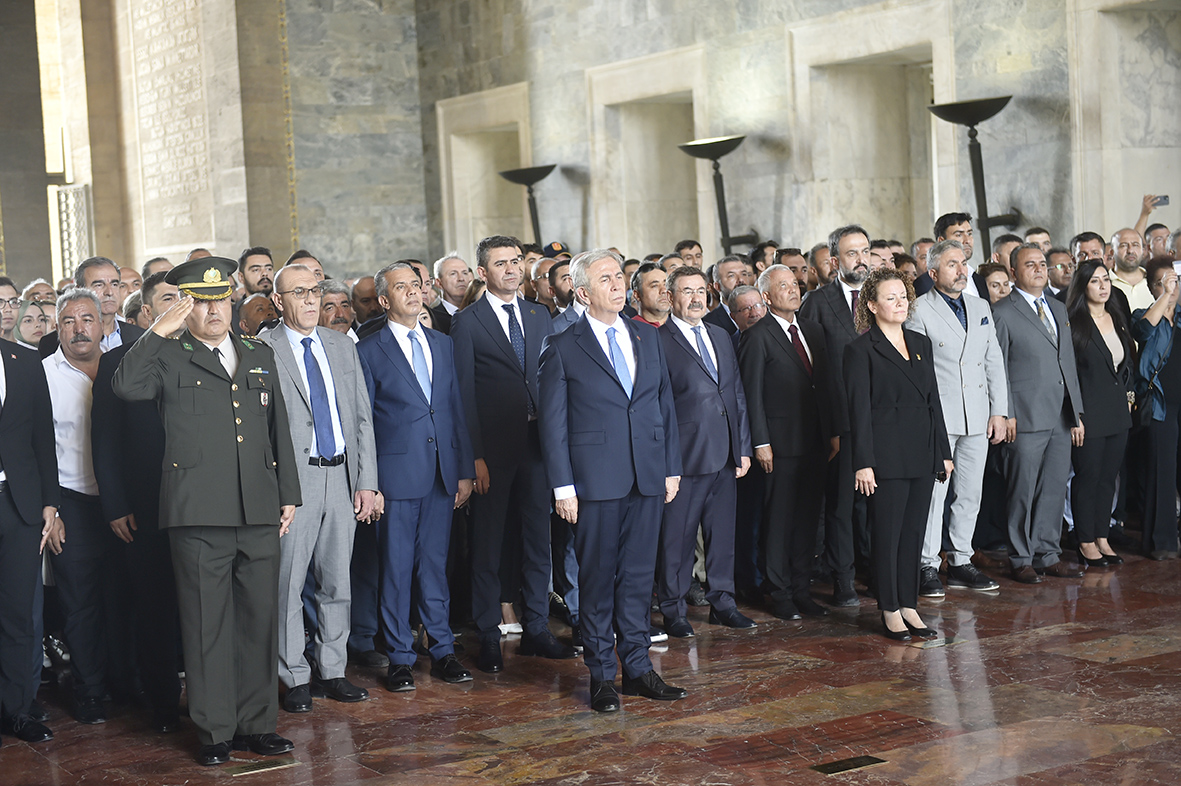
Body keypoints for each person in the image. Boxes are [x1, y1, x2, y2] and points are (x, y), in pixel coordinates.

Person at [112, 256, 302, 766]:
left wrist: (287, 493)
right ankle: (215, 731)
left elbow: (276, 430)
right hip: (197, 513)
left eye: (220, 299)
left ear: (232, 302)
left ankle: (257, 725)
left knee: (259, 622)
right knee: (206, 626)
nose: (213, 309)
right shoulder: (168, 356)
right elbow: (126, 387)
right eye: (199, 300)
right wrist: (159, 328)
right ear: (184, 307)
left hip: (258, 508)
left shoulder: (259, 354)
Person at [538, 249, 686, 713]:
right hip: (594, 484)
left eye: (620, 277)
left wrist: (670, 466)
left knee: (640, 580)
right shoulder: (564, 345)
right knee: (598, 582)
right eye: (606, 279)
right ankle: (603, 675)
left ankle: (639, 670)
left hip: (646, 477)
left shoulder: (647, 336)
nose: (619, 285)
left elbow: (664, 405)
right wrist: (563, 487)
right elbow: (552, 425)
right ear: (583, 292)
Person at [260, 265, 381, 713]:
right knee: (287, 583)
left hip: (342, 475)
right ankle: (293, 675)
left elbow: (362, 418)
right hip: (294, 482)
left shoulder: (340, 346)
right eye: (299, 293)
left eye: (315, 291)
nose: (311, 301)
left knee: (337, 581)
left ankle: (332, 670)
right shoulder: (261, 349)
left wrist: (367, 481)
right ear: (279, 301)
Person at [451, 236, 575, 673]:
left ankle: (537, 630)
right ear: (482, 273)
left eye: (516, 262)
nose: (511, 269)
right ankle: (487, 633)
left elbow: (554, 383)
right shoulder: (467, 323)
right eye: (500, 263)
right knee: (488, 543)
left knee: (537, 540)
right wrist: (475, 457)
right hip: (493, 451)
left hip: (539, 445)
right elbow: (462, 395)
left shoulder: (540, 315)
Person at [356, 261, 475, 692]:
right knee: (396, 569)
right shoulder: (368, 350)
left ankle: (442, 650)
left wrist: (463, 470)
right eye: (401, 287)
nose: (412, 292)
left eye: (417, 286)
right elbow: (364, 422)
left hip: (442, 474)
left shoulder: (442, 344)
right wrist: (369, 481)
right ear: (385, 300)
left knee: (435, 568)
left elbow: (454, 409)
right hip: (396, 477)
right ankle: (400, 657)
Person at [91, 272, 183, 733]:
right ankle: (164, 704)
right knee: (154, 607)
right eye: (169, 299)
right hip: (143, 508)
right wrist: (115, 503)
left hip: (199, 506)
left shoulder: (204, 355)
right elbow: (104, 442)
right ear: (145, 313)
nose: (182, 306)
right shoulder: (117, 362)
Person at [844, 267, 953, 641]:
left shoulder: (920, 342)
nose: (900, 303)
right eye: (890, 298)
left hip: (922, 451)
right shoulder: (859, 350)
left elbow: (933, 401)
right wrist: (863, 462)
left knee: (913, 534)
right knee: (887, 535)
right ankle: (890, 608)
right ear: (871, 305)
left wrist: (943, 451)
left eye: (903, 296)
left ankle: (909, 604)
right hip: (885, 457)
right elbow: (857, 411)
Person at [657, 266, 755, 636]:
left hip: (726, 454)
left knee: (721, 535)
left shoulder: (720, 334)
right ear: (670, 296)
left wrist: (742, 446)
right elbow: (659, 405)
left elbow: (736, 394)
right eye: (687, 291)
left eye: (701, 290)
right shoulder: (657, 340)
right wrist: (668, 463)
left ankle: (723, 602)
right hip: (685, 456)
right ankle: (674, 609)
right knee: (677, 539)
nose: (697, 298)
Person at [906, 240, 1008, 597]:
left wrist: (999, 410)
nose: (962, 270)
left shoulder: (980, 305)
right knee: (936, 494)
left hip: (978, 414)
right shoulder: (919, 310)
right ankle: (927, 564)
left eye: (963, 263)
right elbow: (918, 374)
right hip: (941, 417)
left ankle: (962, 559)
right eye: (952, 264)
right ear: (933, 273)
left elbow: (993, 360)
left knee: (970, 493)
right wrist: (925, 420)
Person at [739, 265, 840, 620]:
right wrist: (760, 443)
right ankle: (779, 592)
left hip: (814, 442)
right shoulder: (757, 335)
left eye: (795, 284)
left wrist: (833, 433)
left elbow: (824, 387)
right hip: (778, 446)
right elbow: (750, 396)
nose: (793, 290)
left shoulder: (812, 330)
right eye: (783, 286)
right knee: (779, 521)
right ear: (766, 296)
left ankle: (802, 590)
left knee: (806, 521)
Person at [992, 243, 1086, 583]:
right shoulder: (1002, 311)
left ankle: (1048, 553)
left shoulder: (1058, 309)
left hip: (1060, 416)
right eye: (1030, 265)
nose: (1039, 269)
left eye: (1042, 264)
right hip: (1025, 417)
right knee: (1021, 490)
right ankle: (1020, 557)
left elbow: (1068, 364)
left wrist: (1076, 413)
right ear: (1014, 272)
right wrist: (1006, 413)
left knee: (1054, 488)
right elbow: (997, 366)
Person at [798, 224, 871, 607]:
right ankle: (843, 579)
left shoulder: (884, 298)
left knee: (878, 504)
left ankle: (877, 573)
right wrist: (829, 426)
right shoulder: (819, 302)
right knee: (843, 505)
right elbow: (815, 372)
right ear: (834, 260)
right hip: (842, 420)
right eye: (851, 253)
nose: (860, 259)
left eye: (865, 251)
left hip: (881, 418)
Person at [0, 333, 60, 746]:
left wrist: (50, 502)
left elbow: (43, 435)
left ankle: (17, 711)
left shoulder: (23, 360)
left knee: (20, 614)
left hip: (18, 504)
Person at [1065, 259, 1133, 567]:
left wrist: (1129, 394)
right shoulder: (1074, 323)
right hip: (1088, 413)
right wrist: (1074, 414)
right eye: (1095, 281)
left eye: (1106, 280)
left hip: (1118, 412)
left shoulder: (1116, 316)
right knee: (1088, 477)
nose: (1103, 286)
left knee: (1109, 478)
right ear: (1083, 285)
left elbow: (1126, 361)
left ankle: (1103, 537)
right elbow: (1068, 373)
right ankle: (1085, 540)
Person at [1132, 258, 1181, 560]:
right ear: (1153, 287)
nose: (1174, 286)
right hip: (1161, 404)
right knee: (1161, 472)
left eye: (1176, 280)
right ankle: (1161, 541)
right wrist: (1166, 296)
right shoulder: (1144, 316)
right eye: (1165, 281)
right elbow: (1142, 332)